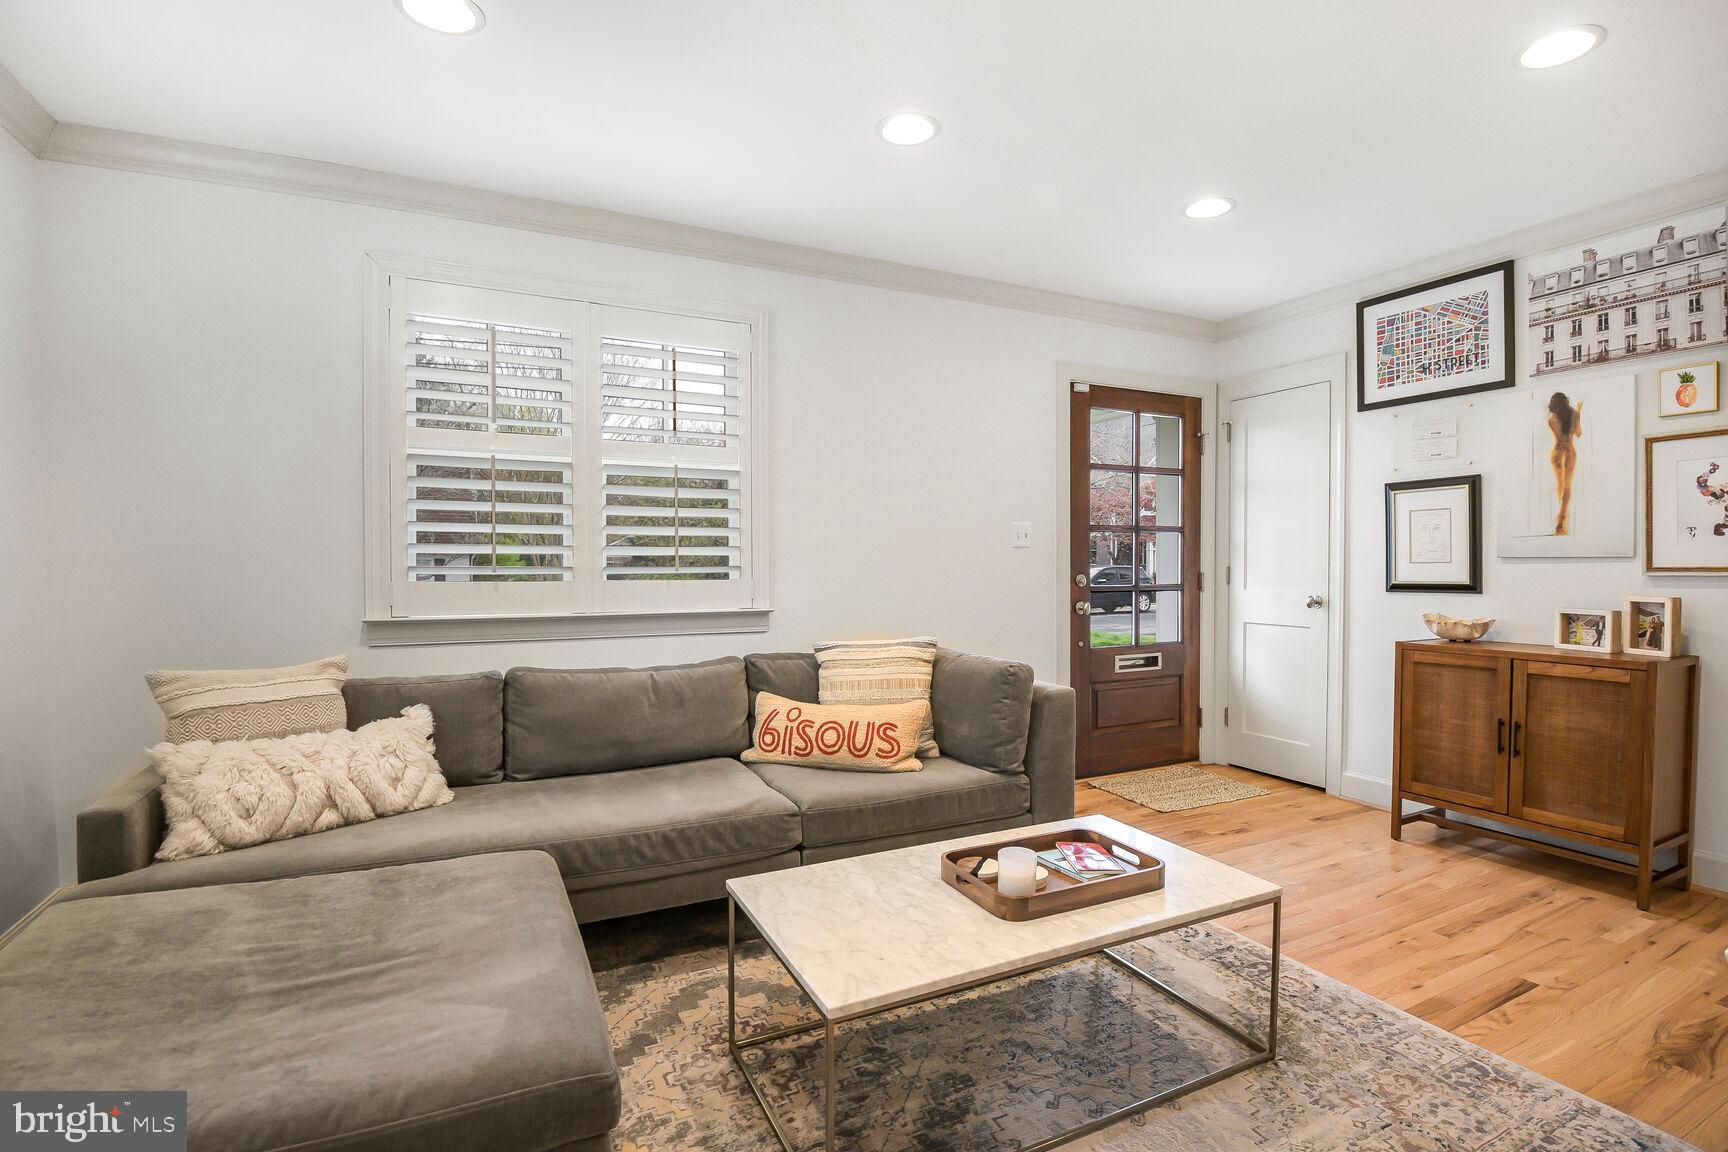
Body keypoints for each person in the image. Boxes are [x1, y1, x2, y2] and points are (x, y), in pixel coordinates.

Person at [1548, 392, 1583, 535]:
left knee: (1561, 485)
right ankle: (1561, 522)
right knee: (1567, 486)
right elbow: (1578, 433)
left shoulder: (1551, 419)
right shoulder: (1574, 414)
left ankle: (1561, 516)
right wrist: (1579, 411)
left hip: (1557, 453)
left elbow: (1559, 435)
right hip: (1569, 452)